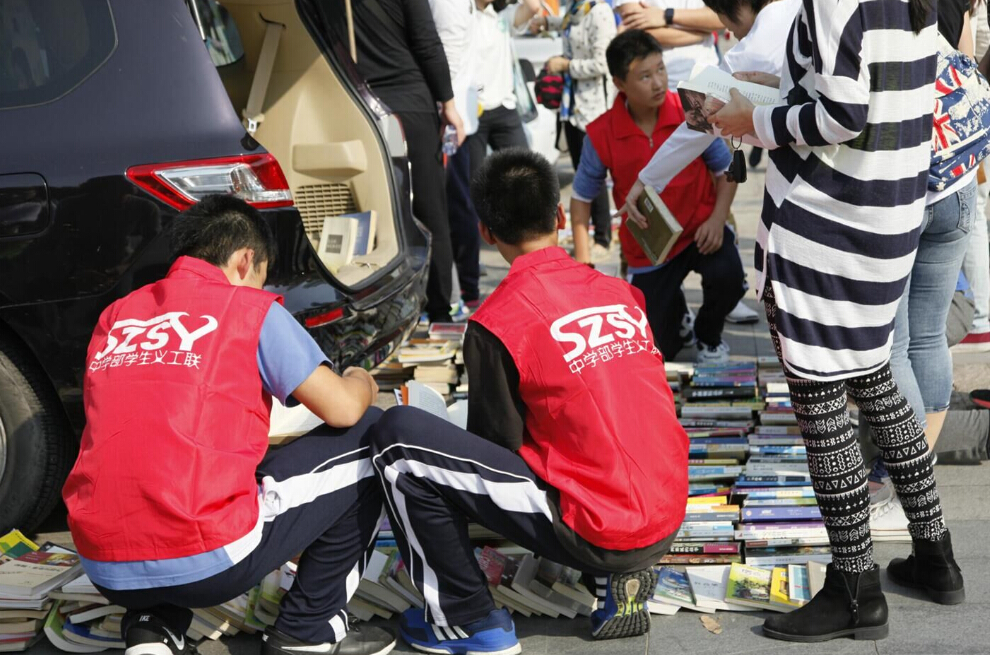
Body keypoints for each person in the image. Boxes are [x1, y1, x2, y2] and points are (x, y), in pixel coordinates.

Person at [711, 0, 965, 642]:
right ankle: (936, 557)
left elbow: (843, 115)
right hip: (890, 211)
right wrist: (777, 92)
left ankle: (854, 590)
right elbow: (871, 89)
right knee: (875, 381)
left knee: (822, 407)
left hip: (829, 221)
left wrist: (752, 120)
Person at [368, 149, 688, 654]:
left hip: (596, 526)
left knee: (397, 442)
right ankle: (612, 578)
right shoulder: (620, 293)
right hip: (667, 510)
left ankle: (468, 619)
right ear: (559, 216)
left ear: (485, 232)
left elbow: (499, 444)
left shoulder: (496, 320)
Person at [61, 196, 393, 655]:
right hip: (207, 557)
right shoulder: (249, 308)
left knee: (156, 476)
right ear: (244, 259)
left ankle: (152, 628)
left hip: (103, 564)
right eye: (262, 275)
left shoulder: (116, 315)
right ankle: (309, 629)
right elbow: (342, 409)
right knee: (373, 433)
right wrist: (362, 381)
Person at [861, 0, 982, 539]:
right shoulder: (937, 18)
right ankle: (919, 473)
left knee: (894, 345)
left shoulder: (872, 25)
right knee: (929, 336)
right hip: (957, 186)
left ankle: (905, 482)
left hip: (903, 195)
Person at [620, 0, 803, 329]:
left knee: (801, 329)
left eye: (723, 18)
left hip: (812, 201)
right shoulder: (803, 12)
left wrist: (646, 180)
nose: (728, 31)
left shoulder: (754, 50)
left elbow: (698, 121)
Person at [572, 29, 743, 364]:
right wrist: (583, 265)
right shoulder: (600, 132)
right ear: (619, 83)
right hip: (649, 249)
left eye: (661, 70)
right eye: (645, 76)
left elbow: (728, 170)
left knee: (730, 277)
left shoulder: (691, 108)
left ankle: (708, 336)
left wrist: (717, 218)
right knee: (660, 350)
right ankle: (678, 320)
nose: (658, 83)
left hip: (701, 230)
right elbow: (580, 199)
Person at [349, 0, 464, 324]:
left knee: (371, 213)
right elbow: (427, 43)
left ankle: (378, 311)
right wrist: (449, 104)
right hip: (412, 106)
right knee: (431, 211)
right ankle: (439, 311)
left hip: (358, 104)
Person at [531, 0, 618, 262]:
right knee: (581, 173)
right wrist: (548, 23)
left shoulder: (600, 12)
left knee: (593, 174)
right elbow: (570, 23)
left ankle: (602, 237)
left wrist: (566, 66)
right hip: (572, 107)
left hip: (593, 109)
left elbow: (603, 63)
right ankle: (588, 237)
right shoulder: (577, 9)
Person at [431, 0, 486, 312]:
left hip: (449, 120)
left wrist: (445, 110)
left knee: (452, 207)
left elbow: (447, 59)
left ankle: (463, 291)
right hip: (455, 116)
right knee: (457, 204)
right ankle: (465, 288)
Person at [468, 0, 542, 178]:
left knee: (525, 175)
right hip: (471, 111)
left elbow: (533, 7)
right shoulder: (461, 14)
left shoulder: (503, 15)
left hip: (504, 107)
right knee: (474, 182)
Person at [615, 1, 722, 88]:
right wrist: (701, 33)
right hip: (661, 85)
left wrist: (666, 15)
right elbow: (637, 32)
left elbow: (721, 17)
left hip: (708, 78)